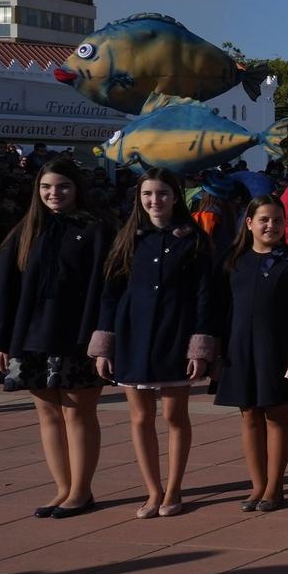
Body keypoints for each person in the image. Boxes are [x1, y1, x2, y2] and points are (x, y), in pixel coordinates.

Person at [0, 156, 109, 517]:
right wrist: (1, 341)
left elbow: (105, 287)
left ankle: (81, 491)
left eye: (63, 186)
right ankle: (62, 488)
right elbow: (5, 289)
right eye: (46, 187)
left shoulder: (97, 229)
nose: (54, 193)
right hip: (32, 336)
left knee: (77, 412)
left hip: (77, 335)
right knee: (49, 414)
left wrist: (100, 338)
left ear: (76, 189)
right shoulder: (26, 231)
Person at [92, 169, 215, 519]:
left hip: (176, 335)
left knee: (174, 415)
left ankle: (174, 489)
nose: (154, 200)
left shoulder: (193, 239)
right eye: (148, 194)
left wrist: (200, 345)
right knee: (140, 417)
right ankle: (153, 490)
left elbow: (206, 296)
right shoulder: (129, 237)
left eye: (162, 193)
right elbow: (110, 294)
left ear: (175, 197)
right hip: (133, 336)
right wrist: (104, 343)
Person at [216, 196, 288, 511]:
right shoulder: (234, 260)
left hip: (278, 349)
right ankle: (257, 485)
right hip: (240, 348)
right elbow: (223, 308)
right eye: (264, 220)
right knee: (249, 416)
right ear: (249, 223)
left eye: (277, 220)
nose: (271, 226)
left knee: (276, 414)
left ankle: (275, 486)